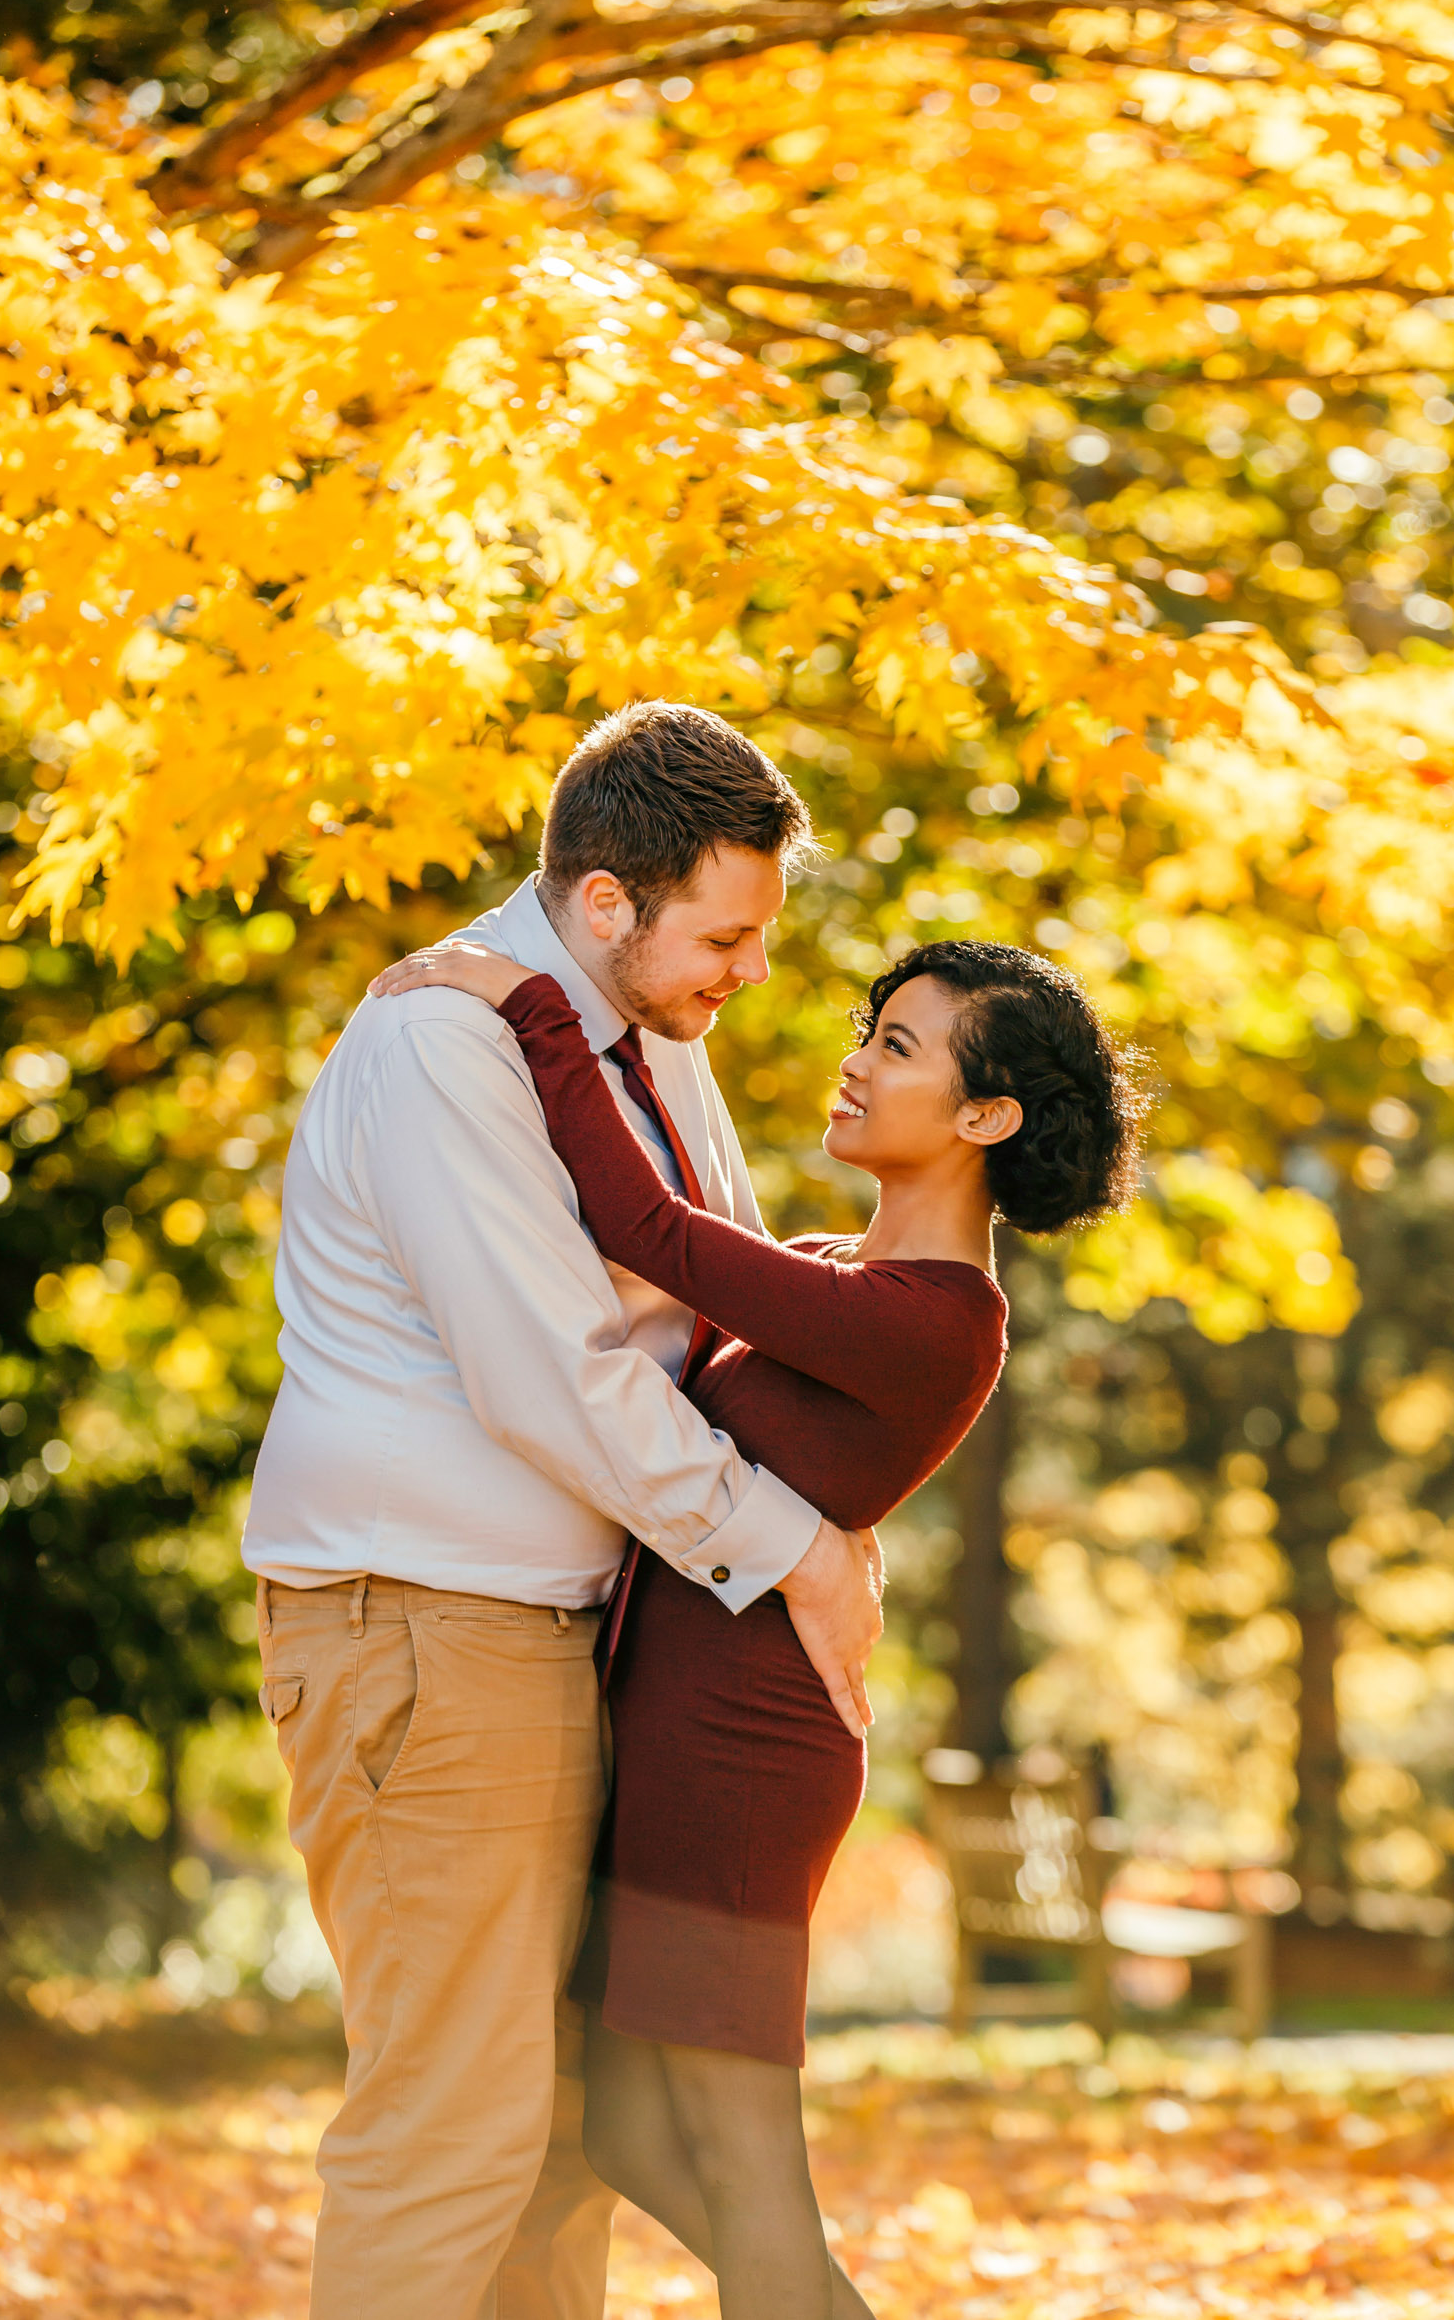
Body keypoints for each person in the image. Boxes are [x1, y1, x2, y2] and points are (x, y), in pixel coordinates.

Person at [371, 925, 1144, 2320]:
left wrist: (539, 1008)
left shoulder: (935, 1317)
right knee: (625, 2131)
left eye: (897, 1048)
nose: (854, 1063)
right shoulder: (828, 1269)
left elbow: (649, 1228)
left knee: (746, 2169)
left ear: (987, 1115)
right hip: (673, 1741)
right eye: (870, 1030)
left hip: (743, 1763)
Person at [242, 703, 885, 2320]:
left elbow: (703, 1297)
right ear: (607, 899)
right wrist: (791, 1547)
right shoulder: (442, 1046)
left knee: (555, 2152)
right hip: (426, 1628)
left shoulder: (646, 1033)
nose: (751, 973)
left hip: (567, 1638)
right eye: (726, 936)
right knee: (454, 2133)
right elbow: (557, 1377)